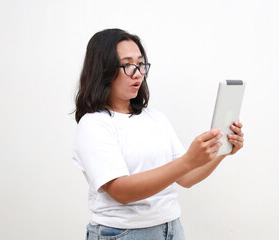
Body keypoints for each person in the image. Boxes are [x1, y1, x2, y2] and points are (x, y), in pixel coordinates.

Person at [72, 28, 244, 240]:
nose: (138, 73)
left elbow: (186, 178)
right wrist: (188, 160)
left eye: (141, 64)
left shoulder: (155, 118)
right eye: (127, 65)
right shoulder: (94, 124)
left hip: (171, 229)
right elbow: (121, 191)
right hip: (122, 234)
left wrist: (223, 150)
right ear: (103, 71)